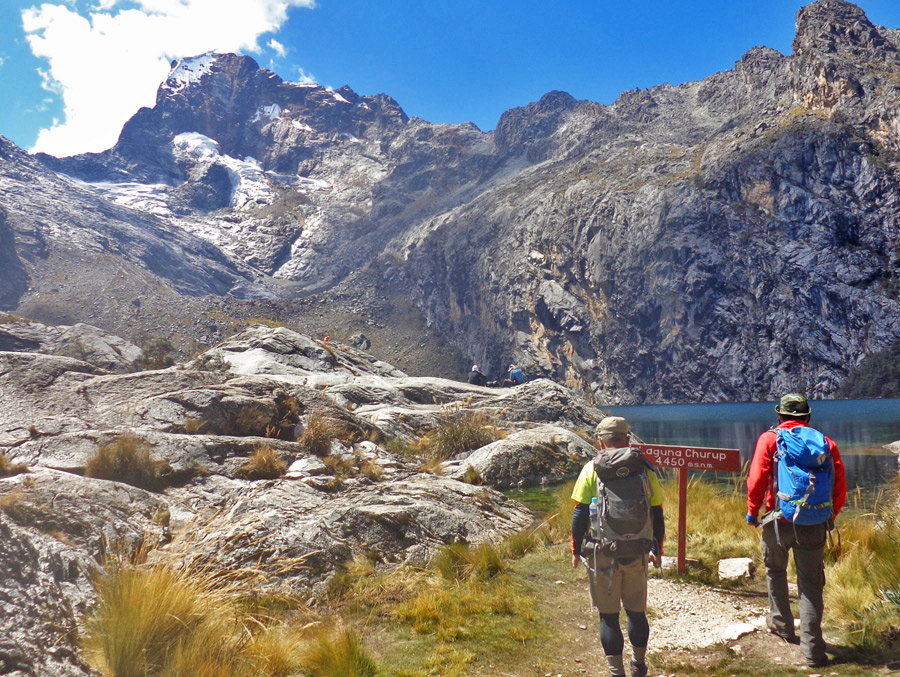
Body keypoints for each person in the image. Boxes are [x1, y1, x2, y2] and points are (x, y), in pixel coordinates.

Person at [746, 394, 847, 668]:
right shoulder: (826, 443)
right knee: (811, 584)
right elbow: (839, 485)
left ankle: (781, 625)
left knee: (776, 571)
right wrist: (830, 515)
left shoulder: (770, 439)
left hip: (778, 521)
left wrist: (753, 512)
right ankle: (813, 649)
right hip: (814, 522)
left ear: (780, 416)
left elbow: (756, 479)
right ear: (808, 417)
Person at [571, 416, 665, 677]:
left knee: (609, 617)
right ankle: (639, 664)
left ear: (600, 441)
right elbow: (657, 512)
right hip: (638, 550)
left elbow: (579, 513)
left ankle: (616, 672)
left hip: (603, 552)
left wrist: (576, 549)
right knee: (636, 612)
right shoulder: (644, 468)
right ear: (627, 438)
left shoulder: (592, 469)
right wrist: (656, 548)